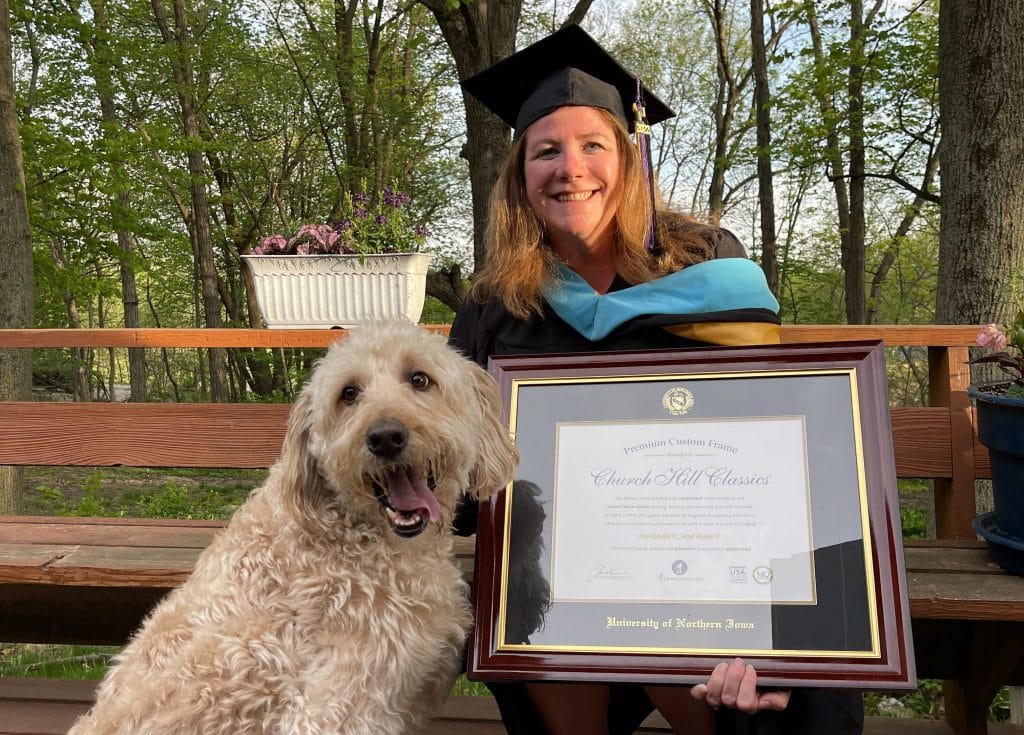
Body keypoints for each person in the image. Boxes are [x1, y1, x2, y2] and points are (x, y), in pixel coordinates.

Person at [448, 24, 864, 735]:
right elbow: (460, 472)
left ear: (629, 158)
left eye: (592, 146)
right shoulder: (495, 305)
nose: (569, 168)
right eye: (546, 151)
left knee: (768, 689)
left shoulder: (706, 263)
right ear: (521, 177)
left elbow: (775, 437)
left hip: (708, 558)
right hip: (554, 578)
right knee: (526, 609)